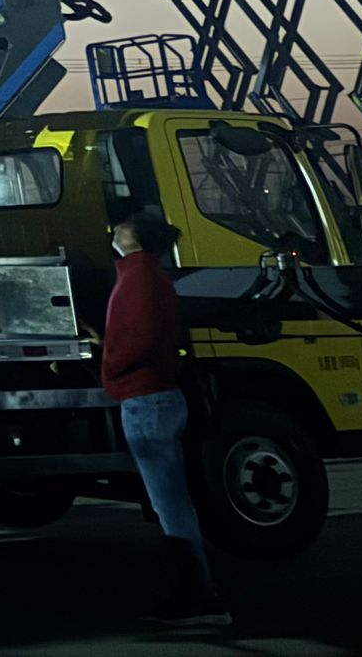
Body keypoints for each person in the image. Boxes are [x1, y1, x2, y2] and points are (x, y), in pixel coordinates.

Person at [104, 208, 231, 627]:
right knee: (173, 502)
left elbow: (138, 337)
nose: (114, 229)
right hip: (158, 396)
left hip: (146, 400)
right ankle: (199, 593)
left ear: (136, 237)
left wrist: (110, 366)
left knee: (170, 506)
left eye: (120, 225)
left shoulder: (138, 277)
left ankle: (200, 598)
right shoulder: (149, 275)